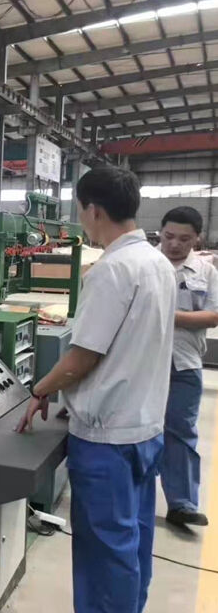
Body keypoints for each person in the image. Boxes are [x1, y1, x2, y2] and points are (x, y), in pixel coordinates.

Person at [16, 166, 176, 613]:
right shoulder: (158, 263)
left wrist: (39, 390)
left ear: (94, 210)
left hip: (107, 439)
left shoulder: (113, 270)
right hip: (145, 427)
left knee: (104, 551)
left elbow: (82, 358)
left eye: (81, 210)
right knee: (133, 539)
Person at [158, 206, 218, 528]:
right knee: (135, 430)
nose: (174, 244)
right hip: (141, 362)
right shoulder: (145, 264)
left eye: (184, 239)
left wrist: (168, 316)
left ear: (197, 238)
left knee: (180, 429)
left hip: (184, 363)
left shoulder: (206, 272)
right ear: (160, 232)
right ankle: (134, 496)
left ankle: (182, 504)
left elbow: (213, 315)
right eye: (169, 236)